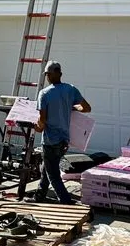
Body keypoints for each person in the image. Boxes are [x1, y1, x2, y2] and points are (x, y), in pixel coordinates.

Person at [33, 61, 91, 204]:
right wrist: (71, 107)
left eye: (48, 74)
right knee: (47, 169)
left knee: (53, 175)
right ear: (60, 74)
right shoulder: (70, 89)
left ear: (50, 75)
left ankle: (67, 203)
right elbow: (86, 108)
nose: (48, 77)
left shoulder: (44, 93)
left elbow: (42, 119)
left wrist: (37, 128)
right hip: (64, 141)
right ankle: (39, 196)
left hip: (50, 141)